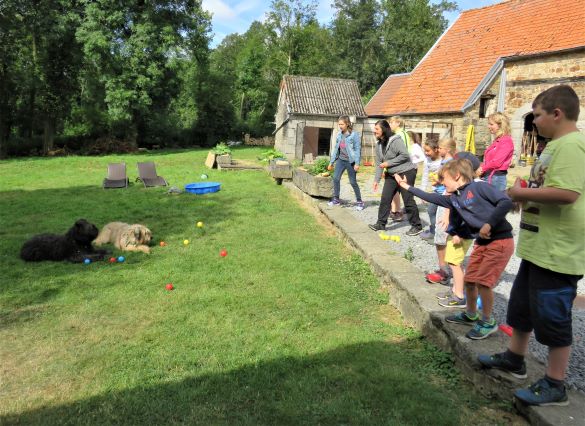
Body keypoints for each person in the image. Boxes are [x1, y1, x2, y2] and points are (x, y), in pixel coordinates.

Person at [478, 85, 584, 406]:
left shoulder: (573, 146)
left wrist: (521, 194)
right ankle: (515, 359)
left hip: (557, 253)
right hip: (538, 248)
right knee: (521, 309)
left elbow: (567, 194)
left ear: (557, 113)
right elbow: (548, 188)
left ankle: (555, 384)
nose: (533, 121)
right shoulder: (553, 146)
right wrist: (526, 192)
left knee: (553, 319)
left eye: (536, 115)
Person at [396, 158, 514, 339]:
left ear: (457, 175)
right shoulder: (454, 198)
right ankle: (471, 314)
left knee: (483, 282)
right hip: (482, 243)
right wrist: (407, 187)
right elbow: (430, 197)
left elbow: (505, 202)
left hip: (500, 241)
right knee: (471, 280)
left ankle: (488, 322)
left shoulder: (479, 187)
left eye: (444, 179)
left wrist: (489, 224)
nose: (442, 183)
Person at [435, 152, 482, 309]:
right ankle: (455, 289)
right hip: (455, 233)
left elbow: (469, 217)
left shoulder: (468, 193)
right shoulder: (460, 190)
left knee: (455, 263)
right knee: (452, 261)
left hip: (460, 235)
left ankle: (459, 296)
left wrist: (460, 234)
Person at [368, 119, 423, 235]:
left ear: (384, 129)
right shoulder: (378, 145)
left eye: (377, 129)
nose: (374, 131)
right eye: (374, 129)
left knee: (408, 199)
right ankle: (380, 224)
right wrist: (376, 180)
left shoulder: (396, 140)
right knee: (385, 198)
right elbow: (379, 164)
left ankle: (417, 226)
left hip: (406, 171)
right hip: (392, 174)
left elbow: (405, 155)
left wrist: (389, 163)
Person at [425, 138, 456, 285]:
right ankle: (444, 268)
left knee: (441, 233)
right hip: (442, 197)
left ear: (447, 150)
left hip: (444, 198)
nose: (438, 149)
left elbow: (448, 184)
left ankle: (444, 271)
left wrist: (438, 181)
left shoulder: (450, 164)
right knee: (441, 234)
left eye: (441, 148)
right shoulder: (446, 162)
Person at [327, 116, 364, 211]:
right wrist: (331, 162)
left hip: (350, 162)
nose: (340, 126)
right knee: (335, 178)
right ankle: (336, 199)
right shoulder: (339, 134)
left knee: (352, 182)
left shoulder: (354, 135)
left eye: (342, 124)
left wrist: (357, 163)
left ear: (347, 124)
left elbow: (357, 149)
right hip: (341, 160)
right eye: (339, 124)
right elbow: (336, 149)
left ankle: (359, 201)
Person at [478, 112, 514, 191]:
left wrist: (481, 169)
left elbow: (497, 162)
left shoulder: (506, 141)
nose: (488, 126)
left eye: (491, 124)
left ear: (500, 125)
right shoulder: (498, 140)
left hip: (496, 178)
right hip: (489, 176)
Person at [418, 139, 442, 241]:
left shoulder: (443, 160)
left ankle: (435, 233)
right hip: (436, 190)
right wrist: (422, 192)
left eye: (428, 151)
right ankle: (435, 232)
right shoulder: (427, 160)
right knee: (433, 211)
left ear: (436, 149)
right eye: (425, 150)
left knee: (432, 211)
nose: (426, 153)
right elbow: (425, 175)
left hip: (444, 191)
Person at [388, 116, 411, 221]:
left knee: (402, 191)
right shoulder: (398, 134)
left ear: (398, 123)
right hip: (397, 165)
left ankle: (399, 212)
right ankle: (394, 210)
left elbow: (404, 152)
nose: (390, 125)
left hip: (401, 166)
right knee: (394, 191)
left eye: (392, 123)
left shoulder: (400, 134)